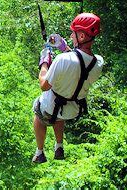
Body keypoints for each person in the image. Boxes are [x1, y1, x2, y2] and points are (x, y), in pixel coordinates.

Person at [32, 12, 103, 163]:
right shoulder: (98, 63)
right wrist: (65, 48)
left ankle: (39, 152)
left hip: (52, 107)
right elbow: (79, 64)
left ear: (82, 36)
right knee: (60, 106)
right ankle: (59, 146)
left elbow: (44, 86)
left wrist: (44, 62)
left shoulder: (62, 60)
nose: (71, 36)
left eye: (73, 33)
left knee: (38, 108)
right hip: (74, 109)